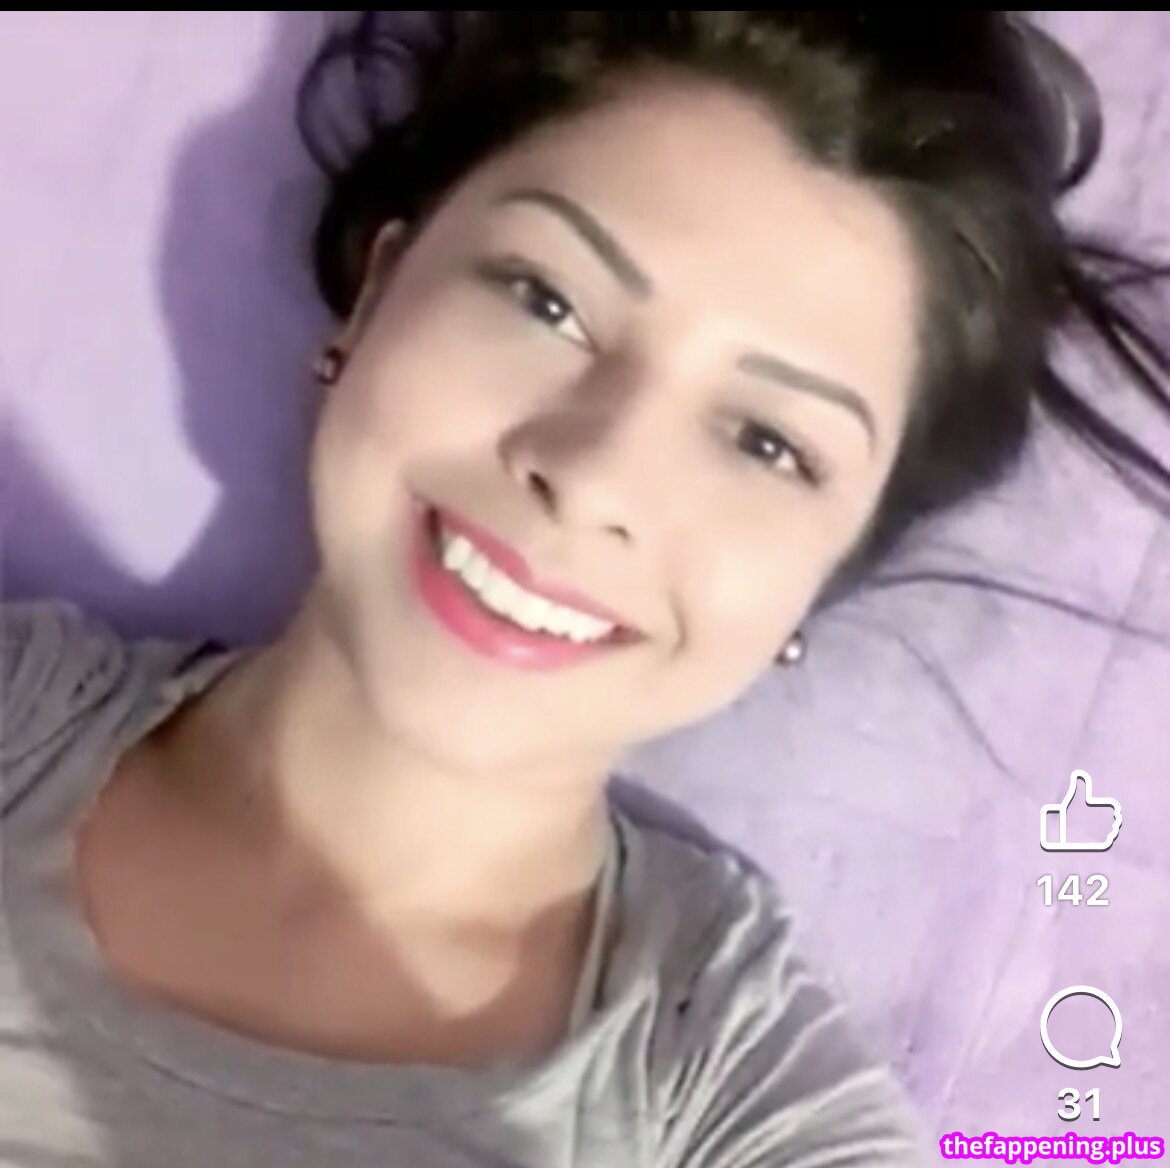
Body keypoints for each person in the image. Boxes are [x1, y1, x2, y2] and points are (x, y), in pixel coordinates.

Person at [2, 11, 1167, 1167]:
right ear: (379, 290)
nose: (595, 474)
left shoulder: (734, 1112)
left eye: (765, 442)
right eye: (545, 300)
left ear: (826, 572)